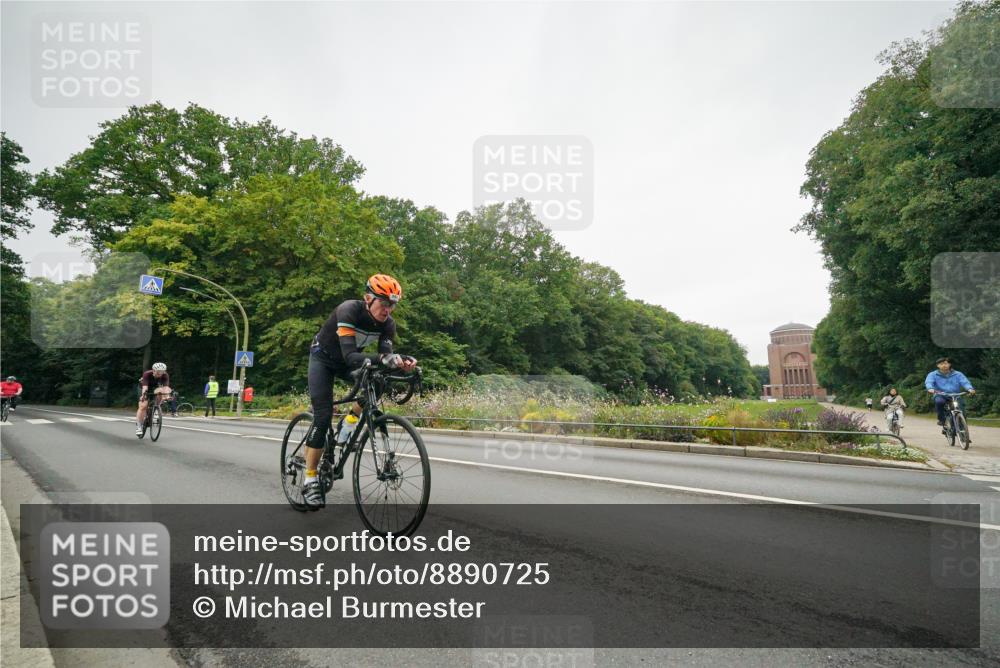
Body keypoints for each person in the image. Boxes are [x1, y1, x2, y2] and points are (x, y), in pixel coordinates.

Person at [302, 274, 417, 509]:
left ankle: (350, 420)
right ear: (368, 298)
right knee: (323, 417)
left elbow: (383, 357)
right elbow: (351, 356)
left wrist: (401, 363)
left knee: (377, 381)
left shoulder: (388, 324)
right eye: (384, 303)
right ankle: (310, 478)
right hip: (323, 360)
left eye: (392, 305)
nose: (388, 310)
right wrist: (386, 359)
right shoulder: (348, 311)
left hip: (349, 364)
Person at [925, 357, 975, 428]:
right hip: (941, 394)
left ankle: (963, 434)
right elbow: (929, 382)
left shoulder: (958, 374)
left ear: (949, 364)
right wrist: (930, 388)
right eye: (941, 364)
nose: (944, 365)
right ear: (938, 365)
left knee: (961, 410)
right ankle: (942, 419)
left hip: (955, 395)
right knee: (939, 402)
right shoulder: (933, 374)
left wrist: (970, 389)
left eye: (946, 363)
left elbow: (965, 382)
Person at [136, 363, 172, 436]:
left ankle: (156, 409)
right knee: (143, 406)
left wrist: (167, 396)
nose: (160, 374)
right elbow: (145, 388)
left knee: (161, 393)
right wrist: (143, 396)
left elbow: (165, 388)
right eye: (158, 372)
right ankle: (139, 426)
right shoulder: (147, 374)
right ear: (153, 371)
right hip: (144, 387)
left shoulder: (165, 375)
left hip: (155, 388)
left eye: (162, 372)